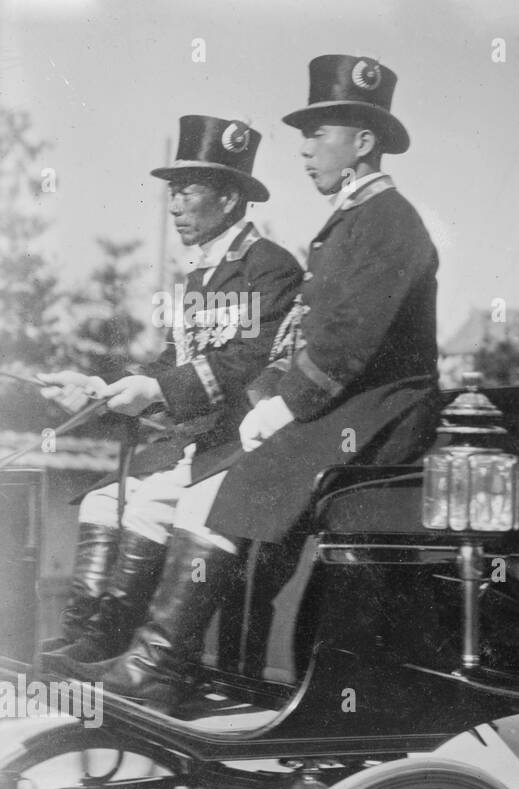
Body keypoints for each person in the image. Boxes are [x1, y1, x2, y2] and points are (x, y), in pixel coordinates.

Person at [68, 55, 439, 711]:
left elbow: (348, 339)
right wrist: (270, 390)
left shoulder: (388, 220)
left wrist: (283, 403)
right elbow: (300, 336)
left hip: (380, 415)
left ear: (363, 141)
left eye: (318, 133)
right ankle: (156, 662)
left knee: (216, 492)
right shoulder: (350, 222)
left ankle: (160, 666)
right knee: (201, 487)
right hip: (343, 407)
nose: (303, 148)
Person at [39, 115, 301, 674]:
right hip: (203, 447)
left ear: (229, 199)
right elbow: (175, 362)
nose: (175, 206)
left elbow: (243, 364)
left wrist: (154, 388)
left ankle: (156, 667)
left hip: (244, 448)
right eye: (172, 193)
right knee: (105, 503)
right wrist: (102, 390)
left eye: (188, 192)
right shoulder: (203, 274)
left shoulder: (270, 267)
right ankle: (97, 640)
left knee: (150, 506)